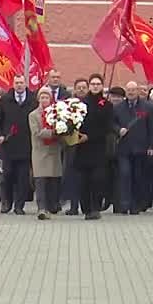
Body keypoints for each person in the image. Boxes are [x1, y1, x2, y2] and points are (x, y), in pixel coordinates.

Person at [0, 75, 37, 214]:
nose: (19, 85)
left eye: (21, 83)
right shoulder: (6, 99)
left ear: (26, 84)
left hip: (26, 145)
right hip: (8, 144)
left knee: (23, 178)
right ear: (13, 84)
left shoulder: (32, 99)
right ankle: (7, 203)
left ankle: (19, 206)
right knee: (8, 176)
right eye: (16, 83)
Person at [114, 81, 153, 215]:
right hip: (124, 148)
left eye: (133, 90)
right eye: (128, 90)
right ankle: (124, 203)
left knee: (138, 177)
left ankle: (136, 205)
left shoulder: (147, 107)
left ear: (138, 91)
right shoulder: (118, 107)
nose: (131, 92)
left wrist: (152, 145)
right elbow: (112, 123)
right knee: (125, 174)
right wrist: (118, 129)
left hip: (141, 147)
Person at [74, 74, 114, 220]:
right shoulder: (80, 104)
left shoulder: (107, 105)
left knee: (98, 179)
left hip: (98, 147)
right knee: (83, 180)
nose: (95, 86)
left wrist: (90, 136)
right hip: (82, 148)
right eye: (93, 84)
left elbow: (107, 127)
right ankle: (86, 208)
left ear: (102, 86)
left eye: (98, 84)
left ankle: (96, 208)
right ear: (89, 86)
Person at [28, 86, 63, 219]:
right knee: (40, 180)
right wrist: (54, 132)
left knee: (53, 180)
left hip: (54, 151)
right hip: (40, 151)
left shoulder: (57, 113)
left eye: (47, 97)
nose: (44, 99)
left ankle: (52, 205)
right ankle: (41, 208)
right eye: (42, 97)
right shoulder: (33, 115)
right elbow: (37, 133)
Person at [62, 77, 90, 215]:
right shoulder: (68, 105)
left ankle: (87, 206)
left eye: (84, 87)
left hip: (88, 143)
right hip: (72, 144)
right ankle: (73, 206)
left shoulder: (92, 104)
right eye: (78, 87)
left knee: (86, 176)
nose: (81, 89)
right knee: (72, 175)